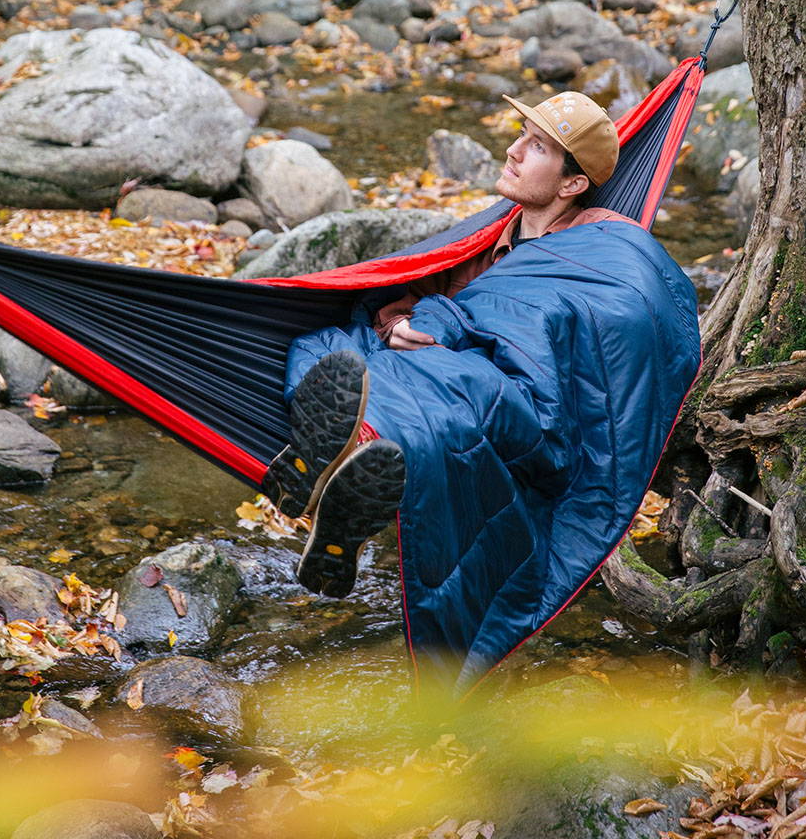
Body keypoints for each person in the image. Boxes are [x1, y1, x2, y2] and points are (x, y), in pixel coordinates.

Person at [264, 90, 638, 597]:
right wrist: (396, 326)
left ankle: (332, 469)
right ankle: (339, 482)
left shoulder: (596, 243)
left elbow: (585, 324)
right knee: (326, 342)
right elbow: (412, 294)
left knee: (449, 381)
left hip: (517, 411)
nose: (513, 151)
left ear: (573, 183)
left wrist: (450, 329)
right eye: (522, 137)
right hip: (430, 374)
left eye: (539, 148)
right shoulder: (488, 239)